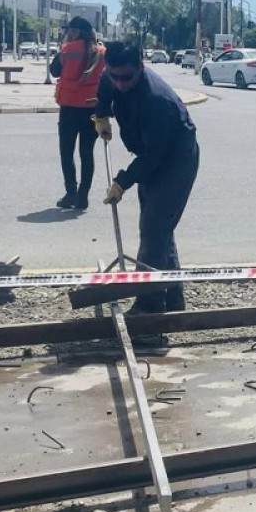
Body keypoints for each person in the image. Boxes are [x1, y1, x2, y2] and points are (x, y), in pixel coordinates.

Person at [94, 41, 200, 314]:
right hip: (150, 153)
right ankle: (173, 299)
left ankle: (149, 308)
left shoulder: (157, 101)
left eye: (125, 77)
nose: (119, 83)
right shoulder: (113, 75)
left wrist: (122, 181)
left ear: (141, 66)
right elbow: (106, 85)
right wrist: (102, 114)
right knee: (159, 228)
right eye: (114, 76)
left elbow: (154, 159)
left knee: (154, 231)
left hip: (175, 160)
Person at [48, 17, 106, 210]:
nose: (67, 33)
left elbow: (54, 71)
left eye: (69, 30)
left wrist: (63, 47)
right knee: (86, 153)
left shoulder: (67, 49)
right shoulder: (102, 52)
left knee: (67, 152)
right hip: (92, 108)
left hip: (69, 108)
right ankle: (83, 197)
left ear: (76, 31)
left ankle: (70, 193)